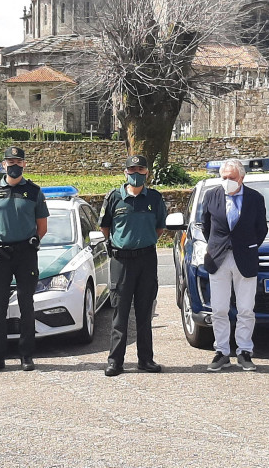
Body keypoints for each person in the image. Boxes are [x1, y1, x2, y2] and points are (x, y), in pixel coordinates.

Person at [0, 146, 48, 374]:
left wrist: (30, 241)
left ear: (24, 164)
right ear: (3, 164)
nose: (14, 165)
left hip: (25, 254)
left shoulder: (34, 191)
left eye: (18, 161)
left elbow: (42, 227)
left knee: (26, 305)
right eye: (10, 161)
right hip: (0, 256)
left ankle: (26, 355)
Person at [99, 155, 167, 376]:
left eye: (140, 169)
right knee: (120, 312)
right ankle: (115, 362)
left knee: (145, 312)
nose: (136, 173)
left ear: (147, 173)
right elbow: (106, 227)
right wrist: (122, 244)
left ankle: (145, 359)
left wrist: (142, 241)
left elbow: (159, 228)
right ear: (125, 172)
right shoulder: (114, 197)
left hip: (146, 260)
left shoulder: (155, 199)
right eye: (132, 169)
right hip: (121, 260)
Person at [201, 159, 268, 372]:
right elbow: (206, 226)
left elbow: (261, 229)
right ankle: (221, 351)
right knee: (219, 308)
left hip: (245, 257)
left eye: (232, 178)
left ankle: (244, 351)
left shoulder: (255, 198)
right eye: (224, 178)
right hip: (218, 258)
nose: (227, 181)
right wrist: (218, 246)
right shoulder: (211, 195)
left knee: (246, 308)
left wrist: (245, 245)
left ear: (242, 177)